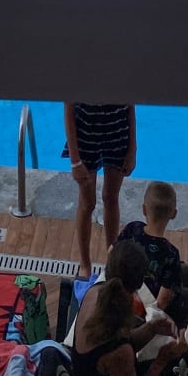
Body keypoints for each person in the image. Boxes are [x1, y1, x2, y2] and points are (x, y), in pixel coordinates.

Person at [70, 275, 187, 376]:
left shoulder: (93, 293)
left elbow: (116, 343)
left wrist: (151, 329)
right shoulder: (120, 353)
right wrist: (161, 361)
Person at [63, 103, 136, 278]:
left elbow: (130, 106)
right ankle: (85, 263)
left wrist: (132, 150)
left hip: (117, 133)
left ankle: (112, 261)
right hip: (86, 135)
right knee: (87, 203)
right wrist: (75, 161)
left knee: (111, 198)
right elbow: (69, 110)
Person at [118, 181, 182, 311]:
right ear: (174, 214)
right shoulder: (171, 254)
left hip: (119, 294)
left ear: (144, 209)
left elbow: (111, 252)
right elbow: (163, 300)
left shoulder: (132, 229)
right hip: (143, 309)